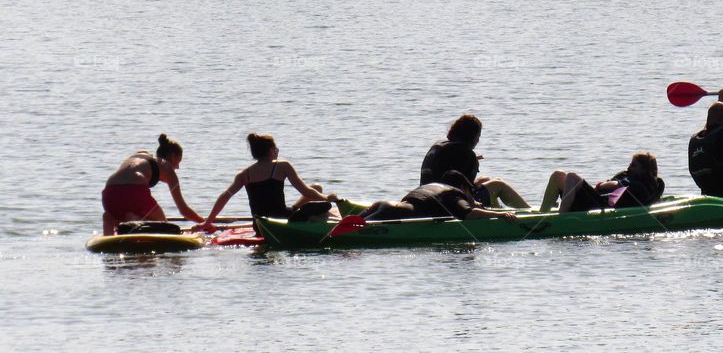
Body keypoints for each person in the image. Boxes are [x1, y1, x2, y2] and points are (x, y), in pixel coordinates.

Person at [198, 133, 339, 233]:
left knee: (316, 187)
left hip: (259, 225)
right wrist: (327, 198)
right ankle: (322, 217)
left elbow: (225, 196)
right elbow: (305, 191)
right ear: (270, 151)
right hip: (281, 220)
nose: (277, 152)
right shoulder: (282, 166)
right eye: (275, 149)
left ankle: (297, 209)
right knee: (323, 211)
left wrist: (208, 222)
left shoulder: (243, 174)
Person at [100, 134, 204, 235]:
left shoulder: (141, 155)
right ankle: (133, 219)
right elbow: (183, 210)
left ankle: (111, 222)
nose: (177, 167)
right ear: (173, 156)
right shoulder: (166, 167)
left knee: (118, 217)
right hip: (134, 190)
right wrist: (205, 223)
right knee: (164, 227)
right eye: (178, 161)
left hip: (109, 191)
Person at [419, 114, 530, 208]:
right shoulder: (466, 154)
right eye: (478, 136)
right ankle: (530, 213)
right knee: (498, 185)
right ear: (471, 136)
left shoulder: (439, 145)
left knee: (485, 179)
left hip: (428, 197)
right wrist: (473, 162)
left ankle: (497, 211)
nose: (478, 140)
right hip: (448, 204)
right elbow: (465, 192)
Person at [360, 171, 518, 222]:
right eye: (471, 191)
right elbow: (469, 213)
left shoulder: (433, 187)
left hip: (383, 204)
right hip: (395, 213)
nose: (472, 197)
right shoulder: (454, 195)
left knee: (345, 225)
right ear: (463, 188)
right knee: (351, 231)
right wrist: (500, 214)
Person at [539, 151, 665, 212]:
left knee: (572, 177)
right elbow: (603, 187)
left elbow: (613, 186)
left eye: (633, 165)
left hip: (601, 206)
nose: (629, 167)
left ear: (643, 170)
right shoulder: (627, 175)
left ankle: (561, 219)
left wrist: (603, 185)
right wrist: (600, 187)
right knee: (558, 175)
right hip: (595, 199)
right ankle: (542, 213)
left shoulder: (641, 185)